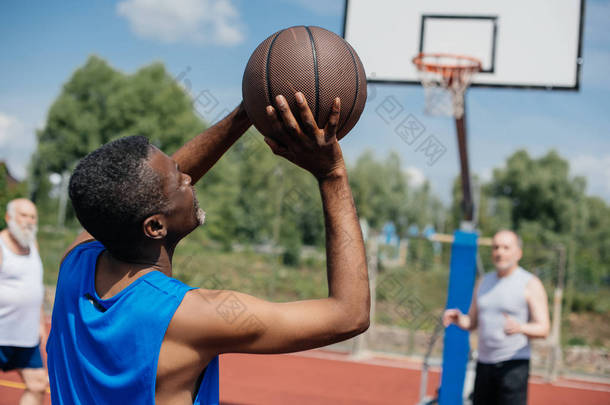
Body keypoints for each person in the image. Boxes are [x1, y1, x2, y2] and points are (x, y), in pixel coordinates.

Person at [46, 93, 370, 404]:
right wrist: (331, 174)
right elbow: (348, 315)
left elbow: (134, 197)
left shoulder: (75, 266)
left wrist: (246, 114)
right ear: (155, 227)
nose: (189, 178)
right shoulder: (188, 316)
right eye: (179, 182)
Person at [443, 230, 550, 405]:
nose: (499, 252)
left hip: (513, 365)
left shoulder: (530, 283)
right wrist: (459, 319)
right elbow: (472, 321)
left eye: (506, 247)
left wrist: (521, 328)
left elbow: (544, 329)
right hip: (484, 364)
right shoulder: (484, 282)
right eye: (496, 247)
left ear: (518, 253)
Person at [0, 198, 49, 405]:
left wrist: (39, 323)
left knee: (37, 385)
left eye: (33, 216)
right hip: (2, 331)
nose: (29, 221)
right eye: (24, 215)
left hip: (25, 336)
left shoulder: (33, 245)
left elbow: (35, 287)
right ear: (9, 217)